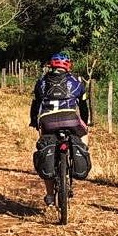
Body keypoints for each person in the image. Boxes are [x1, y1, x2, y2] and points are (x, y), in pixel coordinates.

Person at [29, 52, 89, 206]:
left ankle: (49, 195)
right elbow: (83, 106)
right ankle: (81, 152)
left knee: (45, 148)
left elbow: (35, 105)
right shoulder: (76, 82)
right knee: (84, 133)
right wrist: (86, 122)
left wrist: (33, 122)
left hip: (47, 122)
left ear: (51, 65)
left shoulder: (42, 82)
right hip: (71, 120)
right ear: (68, 66)